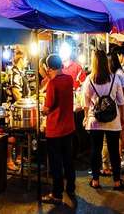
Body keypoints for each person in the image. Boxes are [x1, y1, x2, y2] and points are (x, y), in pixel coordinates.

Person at [83, 50, 124, 191]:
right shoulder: (115, 79)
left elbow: (85, 103)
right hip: (113, 120)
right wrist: (123, 117)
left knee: (95, 150)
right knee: (114, 150)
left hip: (95, 120)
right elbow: (121, 101)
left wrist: (85, 117)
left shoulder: (89, 80)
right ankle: (117, 182)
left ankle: (95, 180)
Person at [41, 54, 76, 205]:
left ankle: (56, 194)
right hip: (69, 127)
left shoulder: (53, 84)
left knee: (56, 164)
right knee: (68, 160)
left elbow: (47, 108)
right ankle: (71, 188)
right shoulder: (69, 79)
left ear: (49, 68)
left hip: (55, 130)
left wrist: (42, 109)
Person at [109, 48, 124, 172]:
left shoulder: (118, 73)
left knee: (121, 135)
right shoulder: (118, 72)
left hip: (121, 108)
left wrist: (121, 106)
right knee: (120, 135)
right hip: (120, 107)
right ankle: (120, 159)